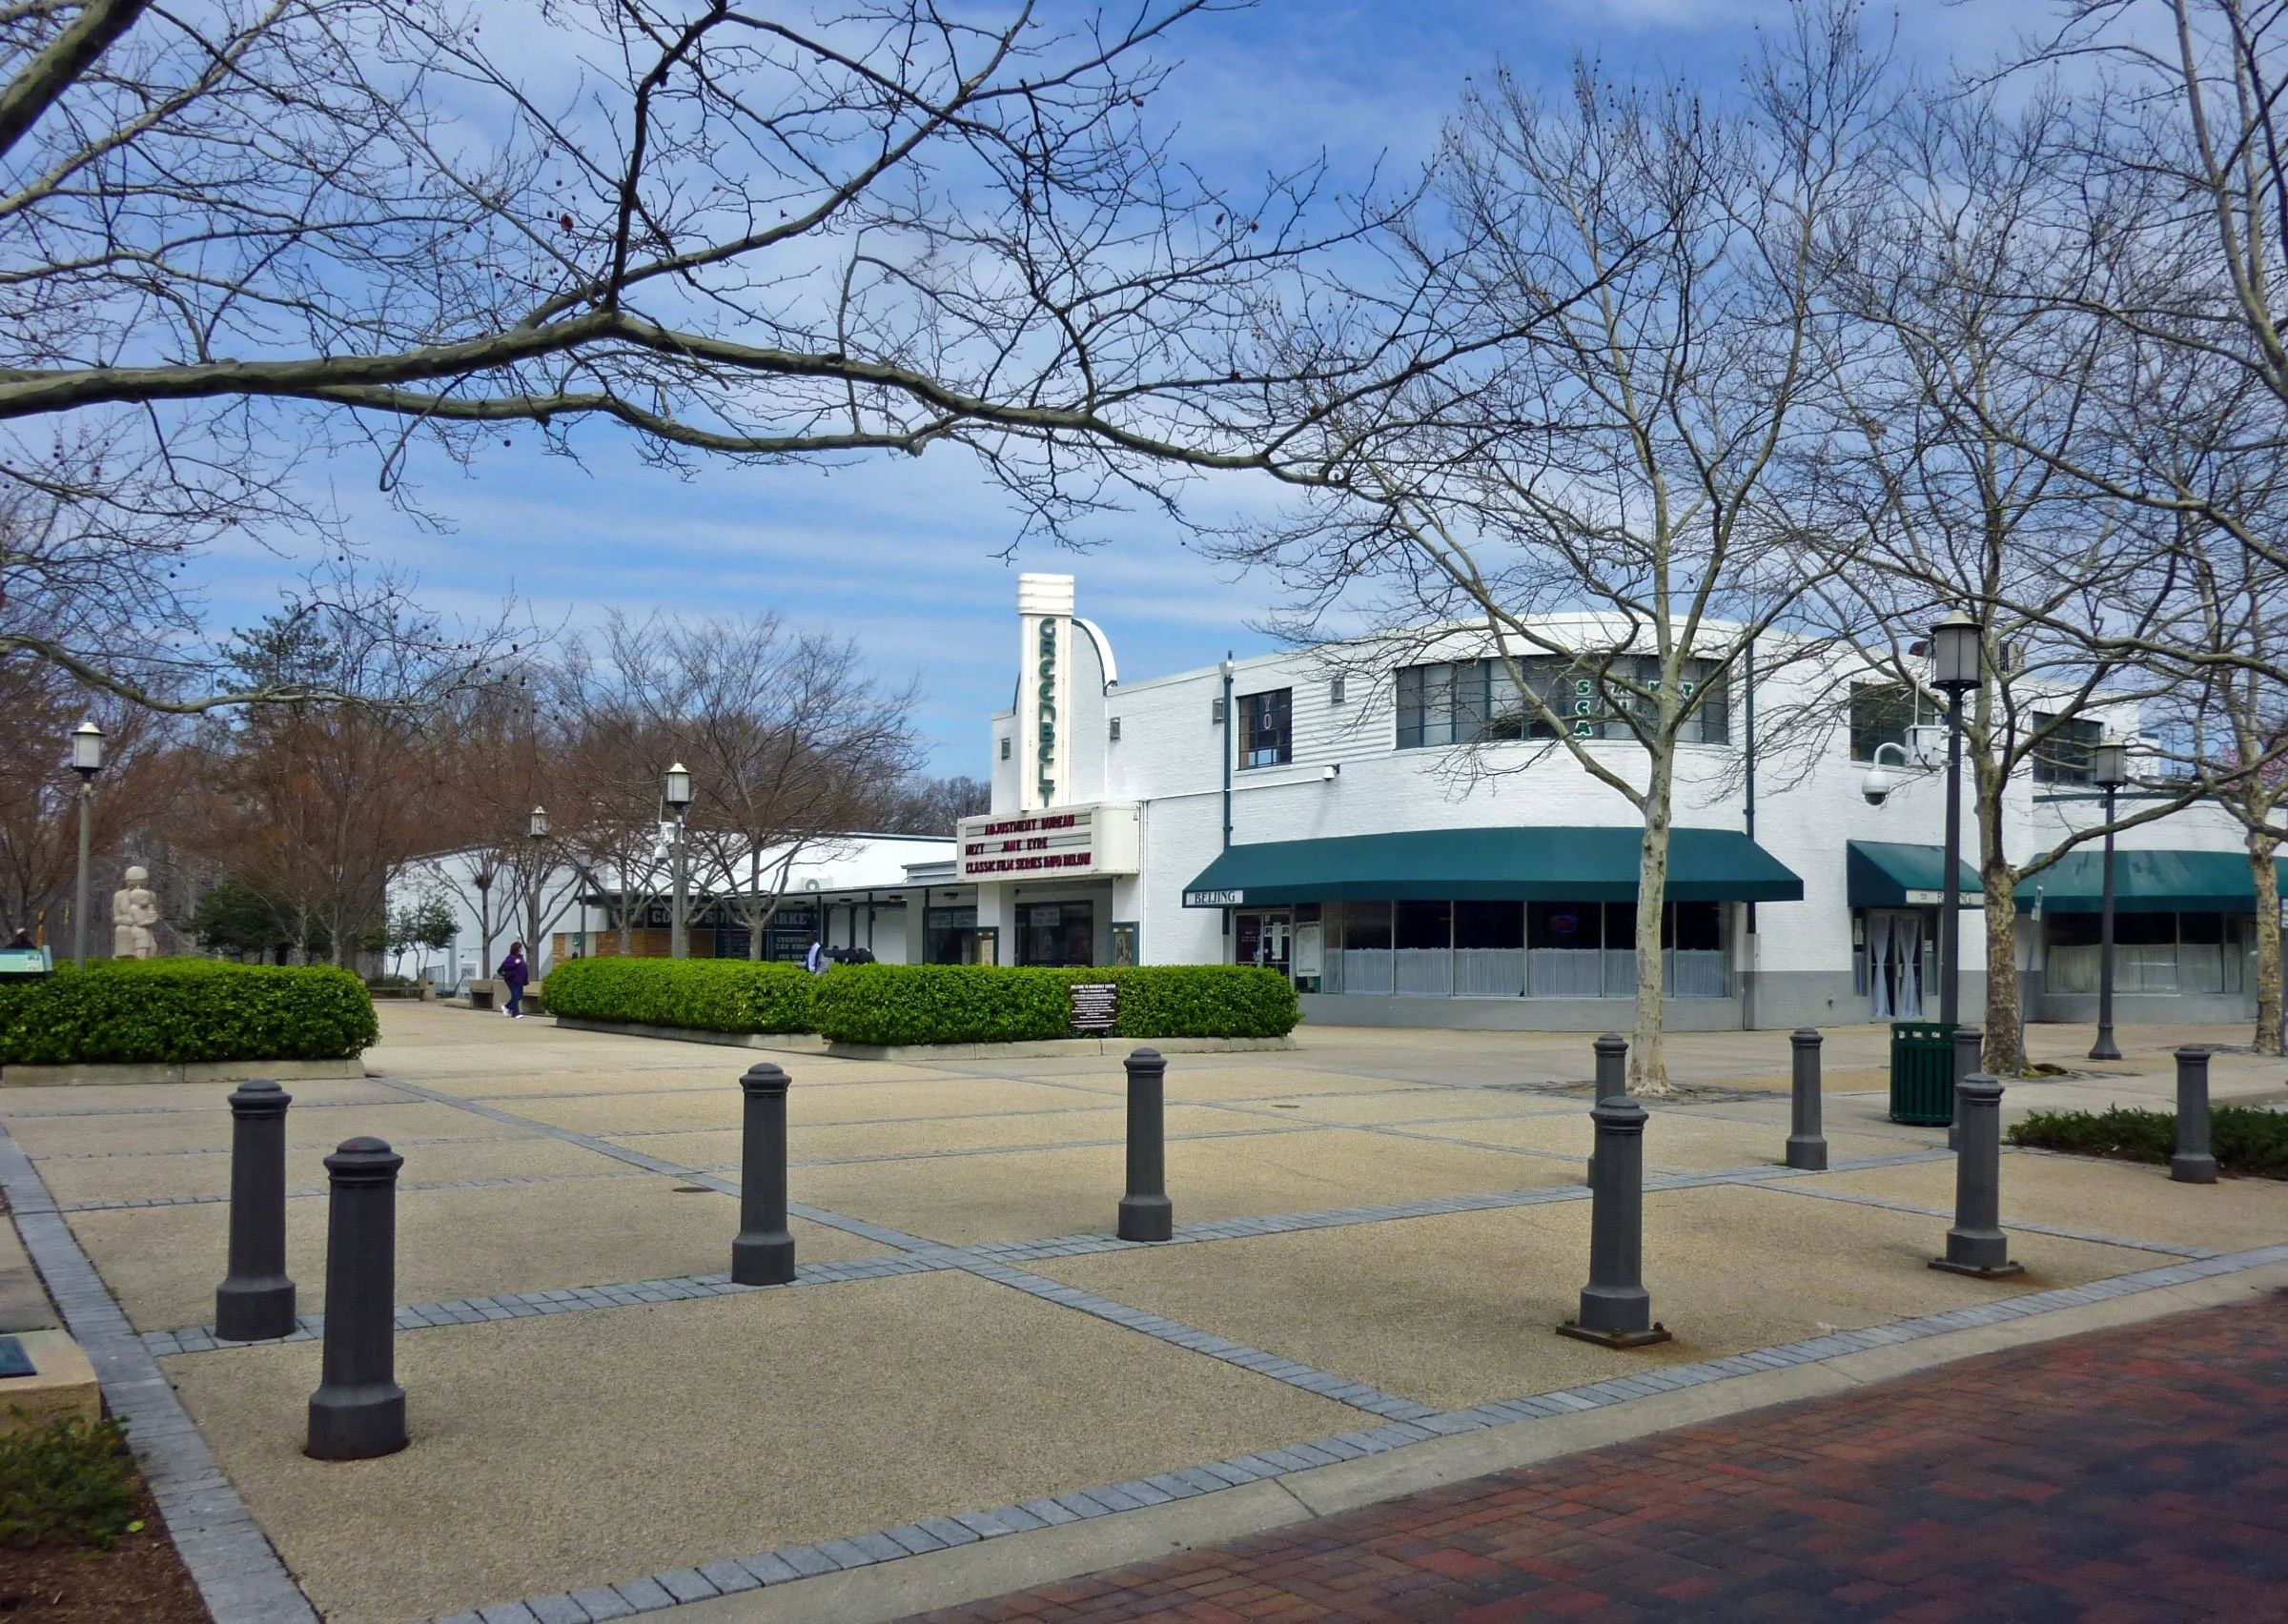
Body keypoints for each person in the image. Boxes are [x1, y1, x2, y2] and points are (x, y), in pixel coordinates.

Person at [497, 942, 529, 1018]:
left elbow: (523, 968)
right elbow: (506, 966)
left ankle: (508, 1008)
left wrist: (525, 979)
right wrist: (515, 963)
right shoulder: (511, 958)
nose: (521, 949)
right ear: (516, 949)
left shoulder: (520, 958)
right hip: (512, 980)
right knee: (515, 996)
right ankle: (514, 1012)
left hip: (520, 980)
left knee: (519, 996)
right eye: (519, 948)